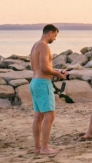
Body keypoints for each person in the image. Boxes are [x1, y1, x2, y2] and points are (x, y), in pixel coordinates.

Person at [29, 24, 69, 155]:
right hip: (43, 84)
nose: (55, 39)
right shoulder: (44, 46)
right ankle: (45, 148)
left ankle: (37, 147)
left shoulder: (35, 45)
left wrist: (57, 71)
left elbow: (35, 67)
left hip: (34, 82)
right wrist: (58, 74)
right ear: (50, 33)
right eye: (55, 36)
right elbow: (44, 68)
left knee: (38, 116)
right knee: (49, 116)